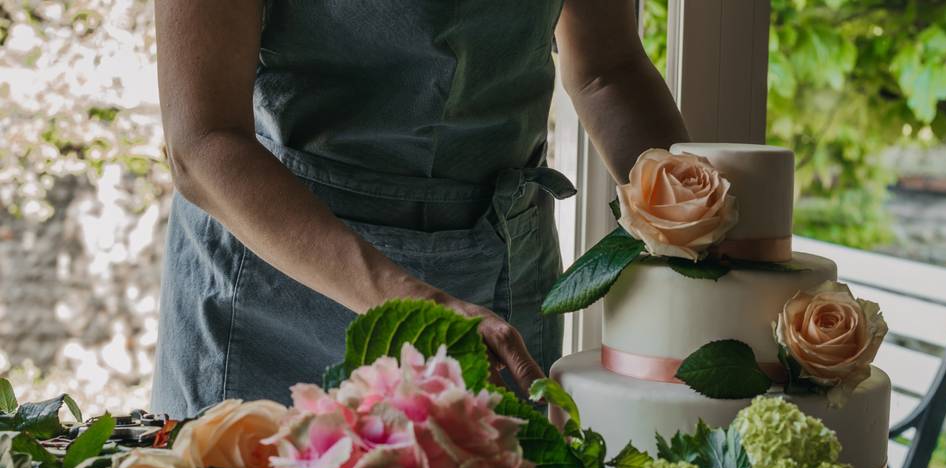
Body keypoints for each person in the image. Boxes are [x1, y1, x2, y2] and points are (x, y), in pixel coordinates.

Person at [151, 0, 689, 418]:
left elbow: (608, 70)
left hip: (497, 276)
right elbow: (203, 144)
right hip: (275, 281)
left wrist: (707, 239)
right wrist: (415, 302)